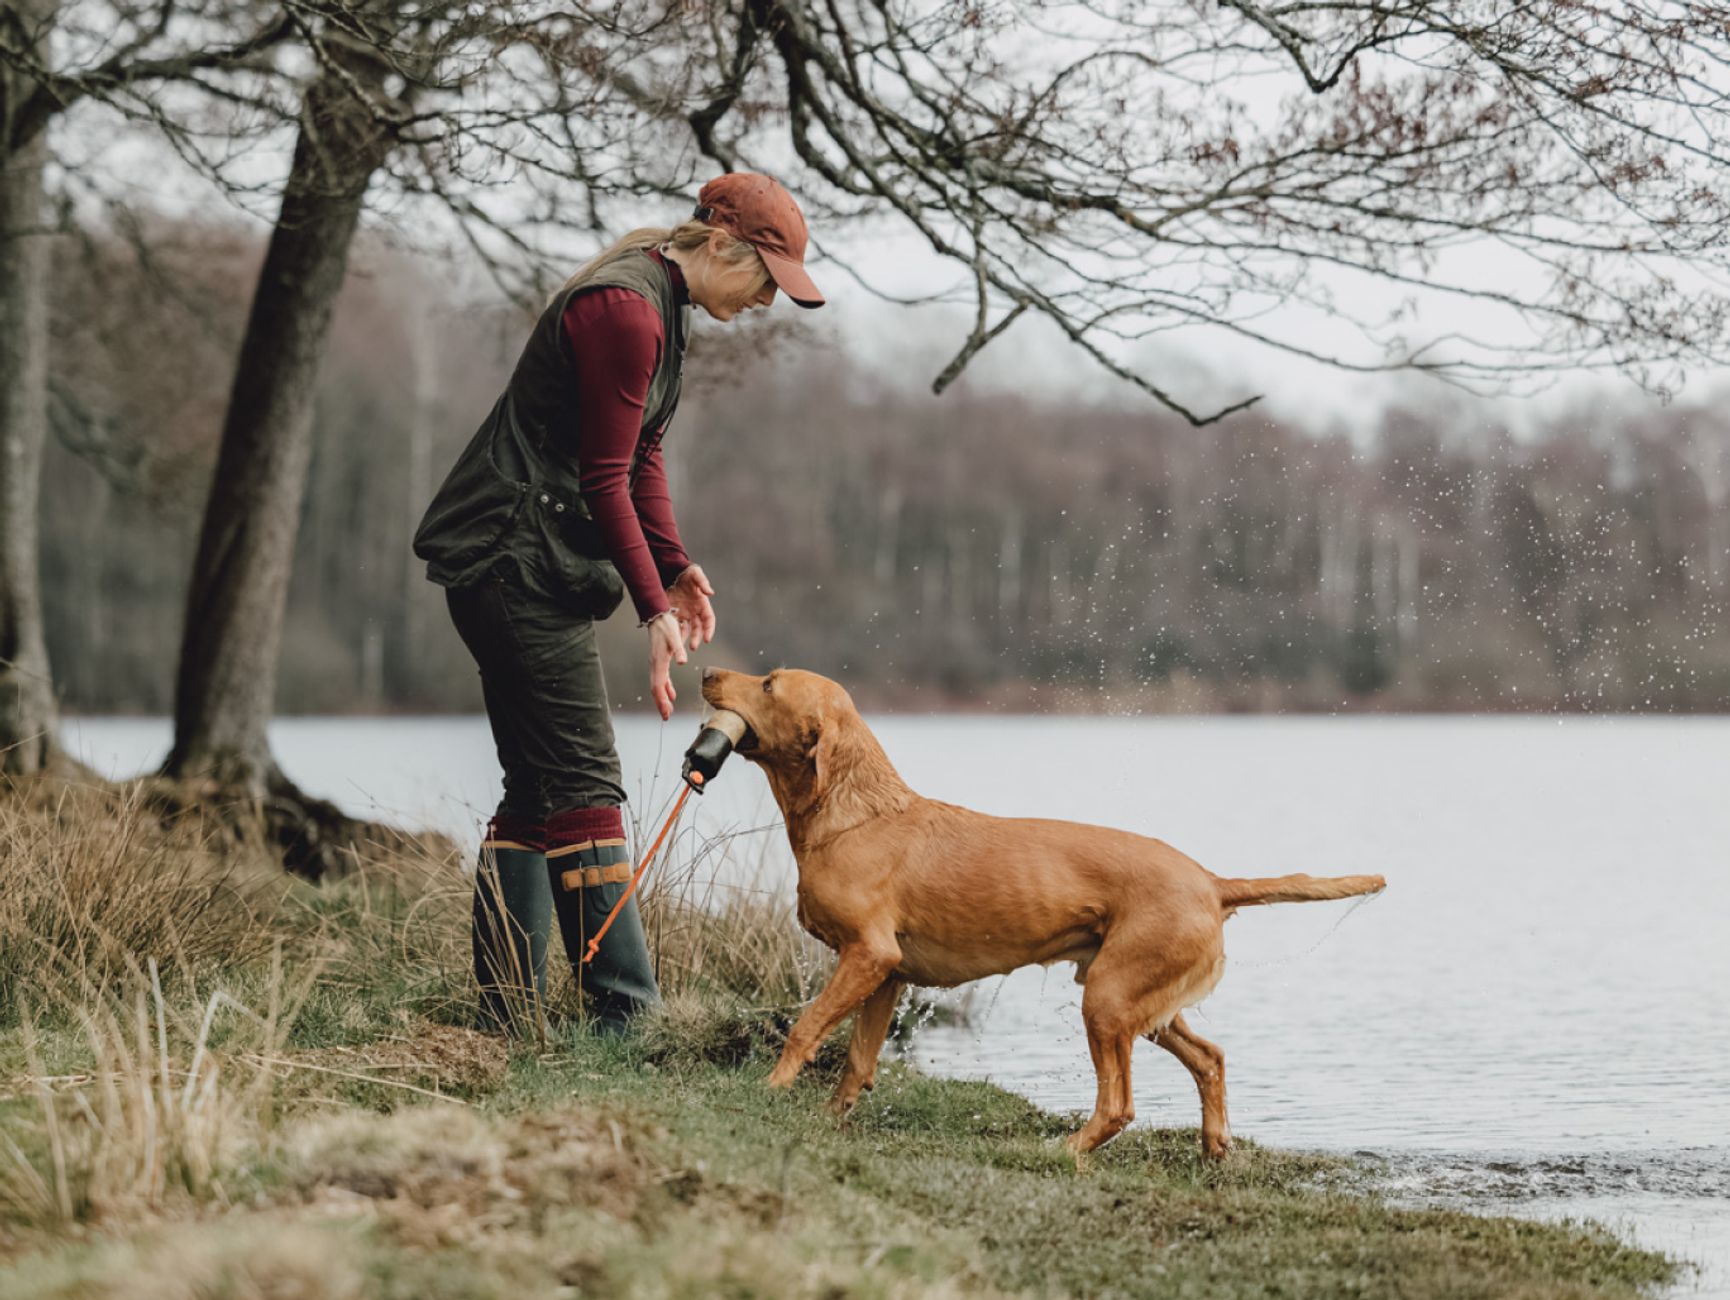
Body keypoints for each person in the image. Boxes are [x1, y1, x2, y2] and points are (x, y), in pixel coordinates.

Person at [413, 174, 824, 1033]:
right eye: (765, 280)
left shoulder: (662, 307)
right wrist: (651, 608)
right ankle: (627, 1021)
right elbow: (603, 480)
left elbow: (640, 458)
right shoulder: (628, 311)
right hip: (507, 563)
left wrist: (673, 566)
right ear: (720, 247)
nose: (764, 303)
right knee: (589, 785)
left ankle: (505, 1018)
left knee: (538, 787)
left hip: (520, 565)